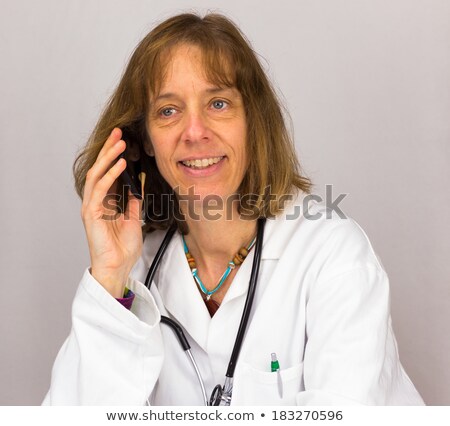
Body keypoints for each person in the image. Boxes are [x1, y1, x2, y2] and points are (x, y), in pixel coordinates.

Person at [43, 12, 424, 405]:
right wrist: (109, 279)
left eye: (219, 103)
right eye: (168, 111)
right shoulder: (131, 269)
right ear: (145, 141)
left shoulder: (332, 256)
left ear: (252, 122)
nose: (195, 132)